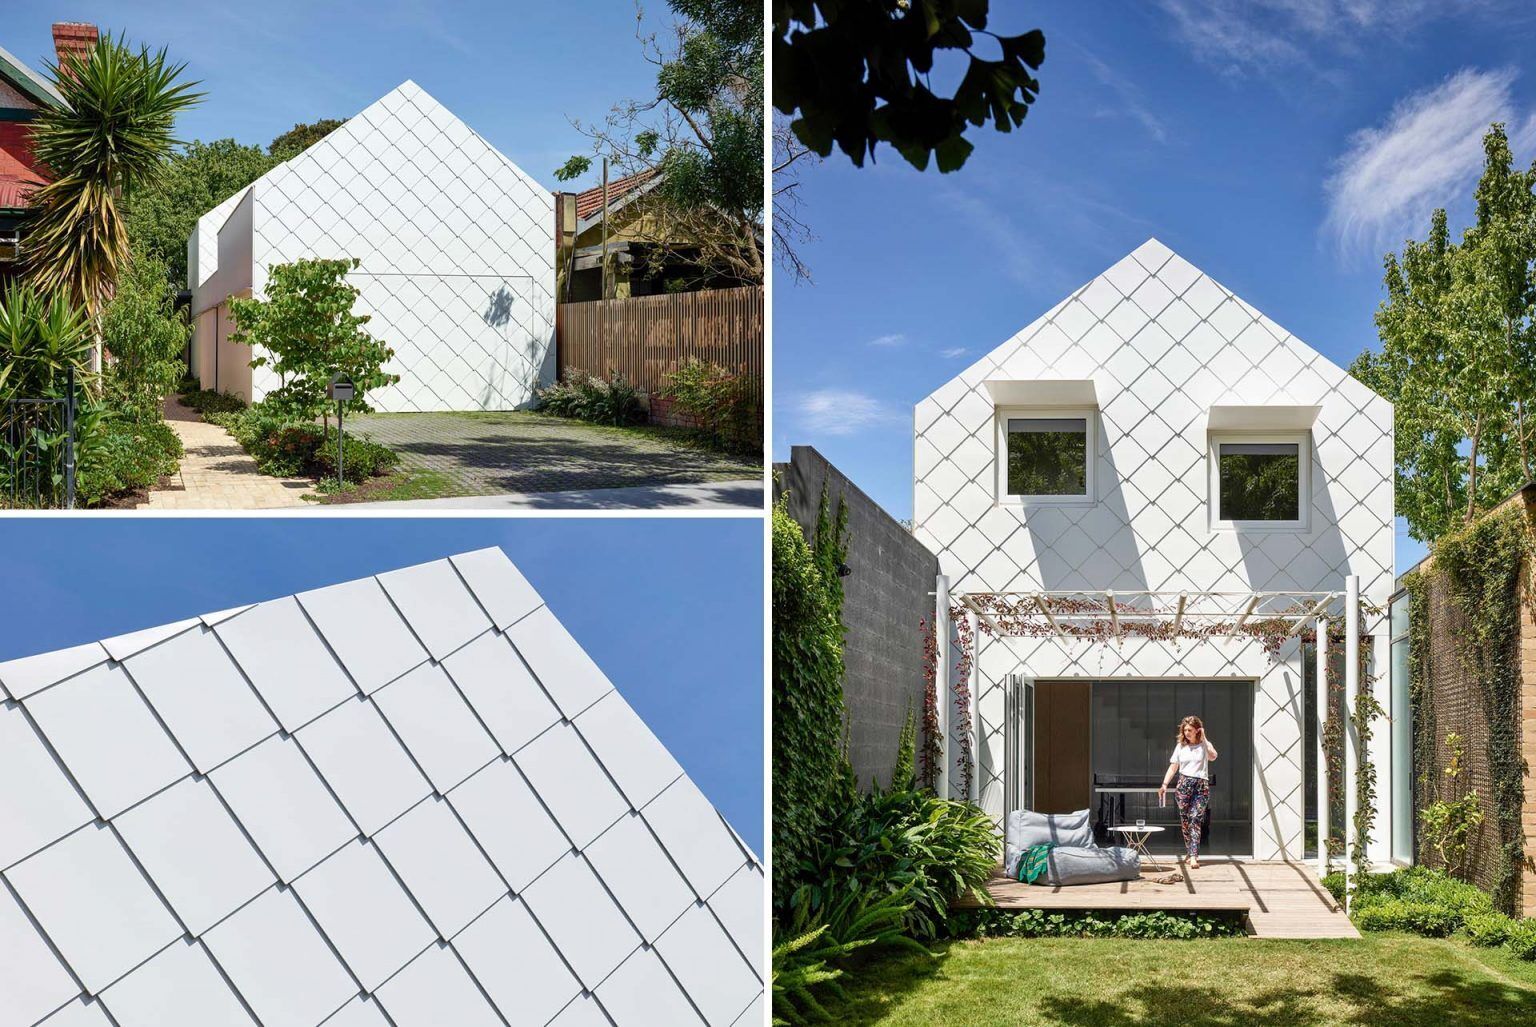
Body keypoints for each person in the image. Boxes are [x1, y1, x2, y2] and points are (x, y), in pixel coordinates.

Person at [1157, 715, 1217, 869]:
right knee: (1185, 821)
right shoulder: (1180, 746)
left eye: (1190, 730)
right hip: (1184, 785)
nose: (1187, 733)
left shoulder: (1204, 745)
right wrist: (1164, 784)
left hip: (1201, 786)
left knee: (1195, 818)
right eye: (1185, 730)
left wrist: (1204, 738)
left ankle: (1194, 856)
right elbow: (1173, 767)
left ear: (1197, 730)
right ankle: (1190, 852)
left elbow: (1213, 756)